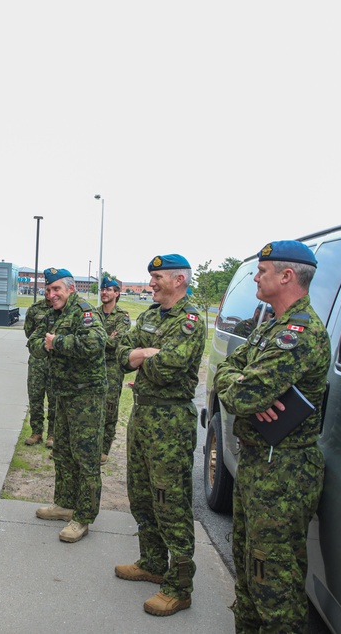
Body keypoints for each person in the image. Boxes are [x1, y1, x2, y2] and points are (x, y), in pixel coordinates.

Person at [213, 240, 331, 633]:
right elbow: (226, 375)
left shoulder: (300, 333)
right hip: (258, 463)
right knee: (249, 571)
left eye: (263, 271)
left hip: (283, 471)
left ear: (287, 276)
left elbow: (246, 395)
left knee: (274, 585)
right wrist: (239, 383)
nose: (256, 277)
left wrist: (243, 388)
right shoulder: (271, 327)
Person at [113, 254, 206, 617]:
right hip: (142, 415)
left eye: (157, 277)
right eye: (150, 277)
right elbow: (119, 354)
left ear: (179, 279)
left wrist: (144, 357)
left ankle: (180, 586)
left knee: (171, 503)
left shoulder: (191, 320)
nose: (150, 283)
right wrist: (143, 352)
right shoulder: (150, 315)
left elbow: (171, 366)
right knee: (141, 495)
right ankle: (152, 562)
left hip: (170, 423)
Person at [28, 267, 107, 543]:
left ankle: (83, 517)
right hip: (62, 394)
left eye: (56, 289)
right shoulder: (52, 314)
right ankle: (64, 503)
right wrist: (47, 345)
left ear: (70, 289)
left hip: (86, 396)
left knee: (85, 457)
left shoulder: (84, 311)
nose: (51, 295)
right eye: (48, 290)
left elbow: (97, 342)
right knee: (62, 451)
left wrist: (58, 342)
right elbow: (34, 343)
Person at [98, 276, 131, 463]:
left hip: (112, 368)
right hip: (92, 367)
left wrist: (98, 339)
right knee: (92, 407)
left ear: (116, 293)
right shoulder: (92, 314)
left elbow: (116, 342)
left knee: (110, 408)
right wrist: (106, 337)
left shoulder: (123, 317)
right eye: (103, 289)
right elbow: (87, 339)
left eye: (109, 289)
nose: (104, 292)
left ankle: (104, 448)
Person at [23, 294, 55, 447]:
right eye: (48, 289)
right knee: (35, 397)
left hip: (55, 360)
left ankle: (52, 435)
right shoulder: (34, 310)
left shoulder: (63, 310)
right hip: (37, 359)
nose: (50, 293)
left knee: (55, 398)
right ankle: (36, 432)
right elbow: (29, 333)